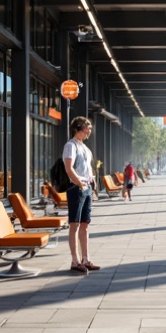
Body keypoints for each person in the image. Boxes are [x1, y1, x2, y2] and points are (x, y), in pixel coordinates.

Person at [63, 117, 98, 272]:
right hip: (76, 188)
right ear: (79, 127)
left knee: (85, 224)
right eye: (87, 126)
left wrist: (92, 182)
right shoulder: (70, 146)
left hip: (87, 187)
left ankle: (86, 259)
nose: (90, 129)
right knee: (74, 224)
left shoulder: (85, 147)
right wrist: (80, 183)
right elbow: (69, 168)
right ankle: (75, 261)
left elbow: (87, 168)